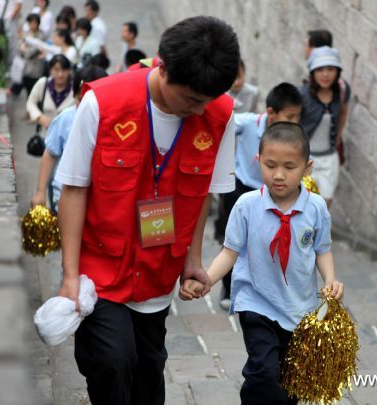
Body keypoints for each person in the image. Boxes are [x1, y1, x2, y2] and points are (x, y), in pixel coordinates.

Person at [54, 16, 240, 405]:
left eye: (207, 101)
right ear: (163, 67)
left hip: (158, 272)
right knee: (111, 359)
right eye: (190, 99)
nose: (198, 109)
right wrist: (69, 276)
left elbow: (204, 194)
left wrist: (193, 259)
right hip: (101, 266)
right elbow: (73, 190)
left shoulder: (219, 114)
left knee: (147, 371)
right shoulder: (103, 102)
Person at [180, 121, 344, 405]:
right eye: (270, 165)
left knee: (290, 380)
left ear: (307, 168)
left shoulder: (316, 207)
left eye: (289, 167)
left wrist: (330, 279)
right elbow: (230, 252)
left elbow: (322, 250)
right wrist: (206, 279)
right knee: (263, 373)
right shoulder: (246, 206)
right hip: (256, 303)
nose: (278, 175)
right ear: (258, 161)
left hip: (299, 309)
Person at [215, 82, 303, 309]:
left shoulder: (293, 138)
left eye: (297, 117)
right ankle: (228, 286)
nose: (294, 123)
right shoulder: (247, 124)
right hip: (241, 189)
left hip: (272, 194)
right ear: (271, 113)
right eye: (290, 116)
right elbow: (219, 124)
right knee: (233, 241)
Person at [31, 65, 107, 212]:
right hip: (64, 195)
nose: (86, 107)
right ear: (74, 95)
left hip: (98, 198)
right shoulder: (66, 119)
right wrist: (40, 193)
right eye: (81, 100)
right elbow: (50, 155)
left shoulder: (111, 120)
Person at [299, 46, 350, 207]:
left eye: (330, 69)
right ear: (313, 72)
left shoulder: (341, 92)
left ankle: (314, 232)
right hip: (306, 159)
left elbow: (343, 112)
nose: (325, 74)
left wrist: (338, 136)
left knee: (324, 204)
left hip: (329, 158)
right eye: (320, 69)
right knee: (303, 204)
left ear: (337, 71)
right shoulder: (302, 94)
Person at [26, 54, 74, 129]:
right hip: (45, 135)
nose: (60, 74)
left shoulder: (74, 88)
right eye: (56, 70)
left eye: (64, 70)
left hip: (68, 136)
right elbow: (31, 102)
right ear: (50, 70)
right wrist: (39, 116)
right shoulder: (43, 83)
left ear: (69, 71)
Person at [0, 0, 23, 73]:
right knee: (4, 43)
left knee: (11, 45)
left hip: (9, 19)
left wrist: (11, 18)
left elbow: (18, 4)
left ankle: (10, 69)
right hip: (2, 19)